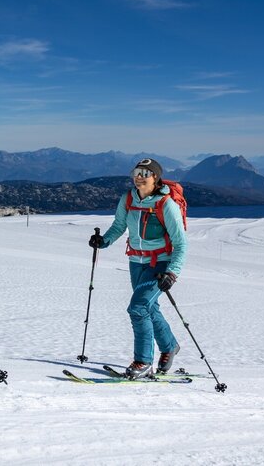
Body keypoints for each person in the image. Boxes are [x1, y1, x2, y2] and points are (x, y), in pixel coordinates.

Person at [88, 158, 187, 379]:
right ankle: (169, 346)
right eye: (137, 172)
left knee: (138, 307)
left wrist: (172, 272)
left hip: (160, 263)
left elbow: (180, 243)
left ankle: (143, 361)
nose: (139, 177)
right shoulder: (128, 199)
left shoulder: (166, 204)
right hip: (136, 261)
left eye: (145, 173)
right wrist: (103, 241)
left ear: (156, 178)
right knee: (149, 308)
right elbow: (119, 226)